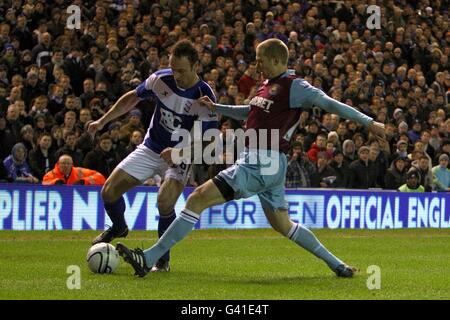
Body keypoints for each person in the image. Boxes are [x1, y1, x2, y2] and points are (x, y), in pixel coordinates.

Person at [116, 38, 385, 278]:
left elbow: (330, 104)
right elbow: (249, 112)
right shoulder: (266, 87)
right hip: (267, 164)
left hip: (262, 159)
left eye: (260, 60)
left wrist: (369, 122)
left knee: (197, 198)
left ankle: (149, 258)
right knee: (283, 224)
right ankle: (337, 265)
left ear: (278, 60)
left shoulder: (295, 86)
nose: (257, 65)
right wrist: (216, 108)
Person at [87, 40, 218, 272]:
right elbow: (132, 98)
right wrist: (102, 121)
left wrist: (180, 152)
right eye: (173, 68)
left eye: (181, 70)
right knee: (108, 192)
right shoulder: (161, 79)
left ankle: (162, 260)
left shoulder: (204, 95)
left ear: (196, 66)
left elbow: (209, 140)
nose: (175, 75)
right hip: (151, 147)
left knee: (164, 201)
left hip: (181, 156)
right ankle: (118, 227)